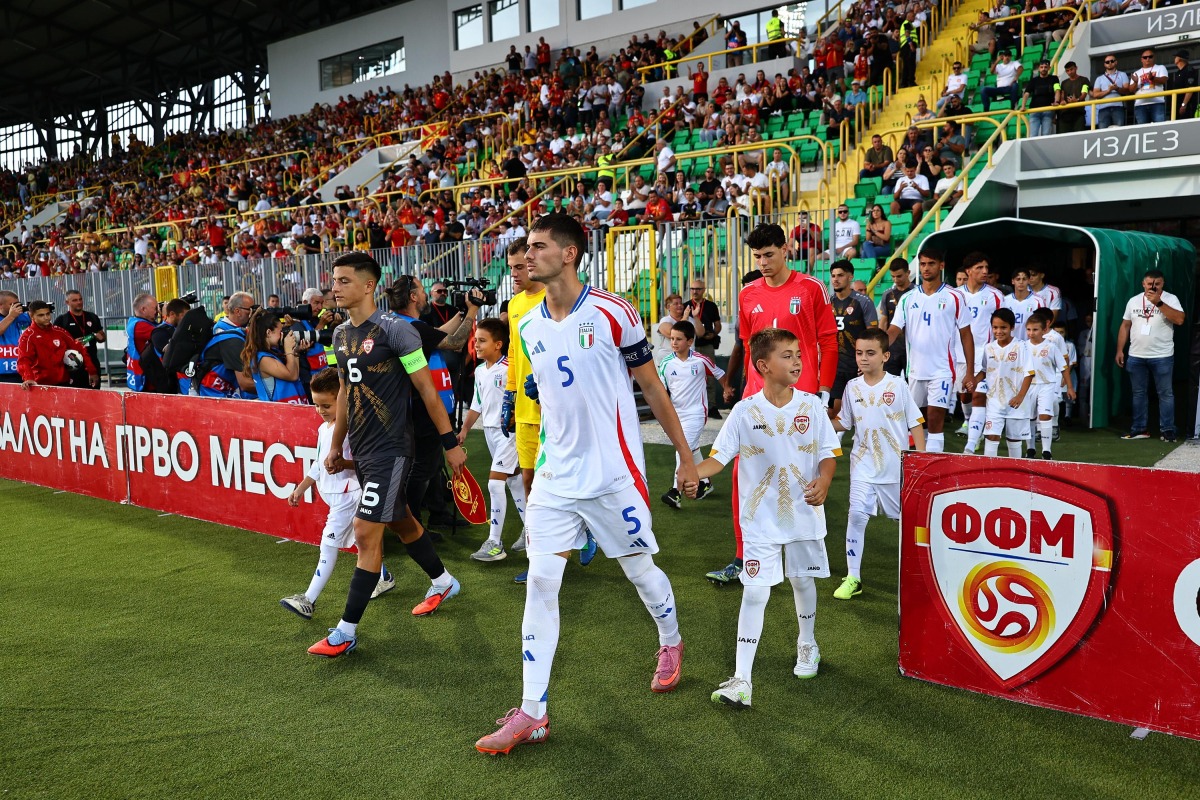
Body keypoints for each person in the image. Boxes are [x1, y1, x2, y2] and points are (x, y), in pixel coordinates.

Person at [475, 215, 695, 756]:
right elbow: (544, 385)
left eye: (538, 246)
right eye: (526, 247)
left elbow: (652, 387)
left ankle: (670, 641)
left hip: (612, 474)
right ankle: (532, 712)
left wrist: (687, 458)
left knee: (640, 571)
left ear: (570, 253)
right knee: (541, 583)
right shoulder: (526, 324)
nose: (528, 255)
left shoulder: (613, 311)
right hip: (554, 477)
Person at [306, 252, 467, 659]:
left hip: (394, 449)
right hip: (362, 447)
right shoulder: (338, 336)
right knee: (401, 520)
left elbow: (428, 392)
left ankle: (345, 631)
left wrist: (451, 444)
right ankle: (444, 581)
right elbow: (344, 391)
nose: (335, 288)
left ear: (367, 286)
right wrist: (335, 444)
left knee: (364, 531)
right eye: (334, 281)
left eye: (343, 281)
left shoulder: (398, 331)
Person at [692, 328, 840, 709]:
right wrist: (696, 472)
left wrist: (823, 479)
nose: (797, 361)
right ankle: (742, 680)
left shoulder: (811, 406)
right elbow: (718, 458)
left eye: (798, 354)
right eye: (787, 355)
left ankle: (807, 644)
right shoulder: (744, 412)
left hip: (803, 515)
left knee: (802, 579)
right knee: (755, 592)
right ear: (763, 366)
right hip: (759, 520)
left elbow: (828, 453)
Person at [711, 223, 838, 585]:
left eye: (769, 254)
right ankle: (743, 557)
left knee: (804, 477)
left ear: (786, 249)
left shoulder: (811, 288)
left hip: (803, 399)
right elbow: (748, 347)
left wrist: (824, 392)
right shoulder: (748, 293)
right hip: (758, 402)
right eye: (757, 256)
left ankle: (803, 556)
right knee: (743, 476)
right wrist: (742, 389)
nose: (763, 262)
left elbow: (828, 342)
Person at [280, 368, 394, 620]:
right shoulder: (325, 429)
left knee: (328, 545)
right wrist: (301, 487)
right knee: (361, 542)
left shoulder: (353, 427)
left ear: (341, 400)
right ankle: (384, 577)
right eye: (317, 405)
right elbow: (319, 463)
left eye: (327, 405)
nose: (321, 411)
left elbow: (367, 463)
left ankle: (308, 600)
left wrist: (344, 464)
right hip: (338, 496)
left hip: (350, 496)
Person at [831, 328, 925, 600]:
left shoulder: (897, 386)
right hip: (862, 466)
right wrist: (819, 420)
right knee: (856, 516)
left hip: (894, 468)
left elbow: (915, 423)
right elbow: (845, 423)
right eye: (859, 353)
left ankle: (919, 575)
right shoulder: (852, 387)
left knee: (906, 522)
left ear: (885, 355)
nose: (863, 358)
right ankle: (853, 577)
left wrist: (919, 461)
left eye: (870, 353)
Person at [387, 274, 482, 531]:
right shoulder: (410, 327)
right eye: (422, 289)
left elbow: (439, 333)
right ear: (413, 296)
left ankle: (432, 516)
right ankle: (413, 525)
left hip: (429, 410)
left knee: (431, 467)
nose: (427, 294)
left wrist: (463, 311)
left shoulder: (407, 324)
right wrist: (472, 312)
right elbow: (455, 342)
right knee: (422, 469)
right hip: (423, 411)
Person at [887, 246, 976, 454]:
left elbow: (966, 334)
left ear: (941, 266)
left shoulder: (955, 296)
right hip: (915, 371)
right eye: (923, 264)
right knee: (916, 423)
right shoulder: (908, 298)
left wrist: (970, 371)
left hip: (942, 370)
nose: (926, 268)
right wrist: (877, 348)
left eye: (931, 264)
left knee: (936, 419)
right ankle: (921, 463)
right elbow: (894, 329)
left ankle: (935, 469)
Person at [457, 318, 527, 562]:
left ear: (498, 344)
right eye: (476, 340)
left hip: (510, 433)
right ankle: (533, 533)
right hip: (489, 432)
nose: (476, 345)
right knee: (515, 481)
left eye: (482, 341)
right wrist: (465, 429)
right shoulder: (479, 371)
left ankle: (495, 543)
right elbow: (477, 403)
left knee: (495, 484)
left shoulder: (510, 368)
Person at [658, 320, 725, 509]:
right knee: (692, 449)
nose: (674, 342)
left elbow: (719, 373)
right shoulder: (665, 363)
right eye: (672, 339)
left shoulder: (700, 360)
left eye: (678, 339)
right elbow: (662, 390)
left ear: (690, 341)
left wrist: (727, 389)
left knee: (683, 449)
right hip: (676, 414)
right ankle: (705, 483)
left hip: (696, 414)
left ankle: (675, 492)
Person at [1116, 269, 1185, 442]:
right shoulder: (1133, 301)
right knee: (1138, 393)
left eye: (1157, 284)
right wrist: (1119, 350)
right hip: (1136, 355)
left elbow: (1180, 320)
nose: (1153, 287)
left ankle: (1168, 429)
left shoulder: (1170, 299)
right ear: (1143, 284)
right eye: (1149, 284)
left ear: (1163, 283)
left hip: (1162, 355)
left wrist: (1159, 303)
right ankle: (1139, 429)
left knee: (1165, 393)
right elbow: (1125, 325)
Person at [955, 253, 1004, 456]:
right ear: (968, 271)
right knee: (964, 395)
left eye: (986, 267)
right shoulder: (955, 295)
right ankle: (968, 422)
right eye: (979, 268)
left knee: (978, 396)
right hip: (959, 355)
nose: (985, 271)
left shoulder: (995, 295)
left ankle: (971, 443)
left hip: (985, 355)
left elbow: (1004, 324)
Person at [978, 308, 1034, 458]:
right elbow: (984, 370)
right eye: (995, 327)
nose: (999, 331)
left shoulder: (1022, 347)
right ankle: (989, 473)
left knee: (1014, 440)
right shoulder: (988, 348)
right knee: (991, 437)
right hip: (994, 401)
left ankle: (1014, 475)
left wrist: (1020, 396)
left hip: (1016, 402)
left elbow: (1029, 373)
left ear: (1012, 328)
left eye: (1003, 327)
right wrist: (972, 381)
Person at [828, 260, 879, 423]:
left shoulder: (863, 302)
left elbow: (872, 335)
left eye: (840, 275)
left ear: (850, 277)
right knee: (832, 409)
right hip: (836, 365)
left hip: (858, 365)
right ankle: (830, 445)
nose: (835, 279)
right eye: (833, 276)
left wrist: (867, 362)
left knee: (864, 411)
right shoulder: (827, 303)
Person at [1026, 313, 1075, 460]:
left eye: (1035, 330)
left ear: (1043, 330)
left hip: (1047, 385)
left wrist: (1070, 387)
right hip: (1029, 386)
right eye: (1028, 329)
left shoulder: (1051, 347)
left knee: (1045, 416)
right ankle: (1030, 449)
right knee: (1030, 417)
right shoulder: (1022, 346)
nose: (1031, 333)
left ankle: (1046, 451)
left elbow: (1063, 367)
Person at [17, 301, 97, 388]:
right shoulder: (27, 337)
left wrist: (92, 371)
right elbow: (23, 360)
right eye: (41, 315)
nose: (46, 318)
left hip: (64, 383)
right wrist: (28, 378)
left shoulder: (60, 332)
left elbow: (79, 348)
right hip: (40, 385)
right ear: (31, 316)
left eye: (48, 314)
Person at [240, 309, 309, 405]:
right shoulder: (263, 359)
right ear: (268, 332)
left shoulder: (273, 353)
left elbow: (295, 374)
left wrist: (295, 352)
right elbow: (291, 376)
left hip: (291, 408)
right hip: (279, 412)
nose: (282, 335)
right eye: (280, 331)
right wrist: (288, 349)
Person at [197, 291, 257, 399]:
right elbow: (243, 379)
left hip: (230, 386)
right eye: (250, 309)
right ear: (237, 311)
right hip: (217, 389)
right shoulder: (222, 330)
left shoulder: (239, 329)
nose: (252, 313)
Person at [54, 290, 105, 387]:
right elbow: (55, 343)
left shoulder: (92, 317)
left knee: (94, 396)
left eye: (80, 299)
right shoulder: (62, 320)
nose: (79, 302)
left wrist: (100, 337)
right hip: (72, 365)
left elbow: (102, 337)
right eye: (75, 300)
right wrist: (72, 343)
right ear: (67, 302)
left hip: (92, 362)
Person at [878, 258, 913, 377]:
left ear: (908, 273)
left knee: (912, 386)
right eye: (893, 276)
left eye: (899, 276)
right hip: (892, 348)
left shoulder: (917, 293)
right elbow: (883, 321)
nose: (895, 280)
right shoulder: (887, 295)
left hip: (912, 349)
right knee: (889, 384)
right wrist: (881, 344)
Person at [124, 292, 158, 392]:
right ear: (143, 309)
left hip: (141, 376)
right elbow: (163, 335)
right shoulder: (141, 326)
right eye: (155, 308)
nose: (157, 312)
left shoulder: (134, 321)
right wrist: (167, 315)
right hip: (146, 381)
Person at [1002, 268, 1046, 341]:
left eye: (1024, 279)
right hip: (1010, 344)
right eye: (1018, 279)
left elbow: (1042, 324)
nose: (1021, 282)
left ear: (1028, 281)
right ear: (1013, 281)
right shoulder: (1005, 300)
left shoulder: (1038, 301)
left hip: (1030, 344)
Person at [1091, 55, 1133, 129]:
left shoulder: (1122, 74)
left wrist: (1117, 88)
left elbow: (1127, 90)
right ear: (1104, 64)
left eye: (1112, 61)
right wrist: (1108, 90)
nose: (1110, 63)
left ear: (1116, 62)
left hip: (1118, 107)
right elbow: (1095, 94)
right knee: (1103, 133)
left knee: (1119, 131)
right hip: (1103, 109)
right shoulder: (1099, 78)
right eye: (1107, 62)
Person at [1021, 60, 1059, 137]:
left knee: (1046, 135)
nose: (1043, 69)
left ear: (1049, 68)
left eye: (1045, 67)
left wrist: (1057, 101)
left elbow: (1057, 90)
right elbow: (1026, 93)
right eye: (1041, 67)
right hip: (1034, 111)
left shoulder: (1054, 79)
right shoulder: (1033, 80)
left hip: (1048, 110)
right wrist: (1023, 106)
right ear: (1039, 68)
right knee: (1033, 135)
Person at [0, 292, 31, 384]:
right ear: (1, 305)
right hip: (3, 373)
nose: (16, 307)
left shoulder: (25, 317)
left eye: (17, 303)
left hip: (23, 370)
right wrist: (11, 316)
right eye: (12, 304)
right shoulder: (12, 316)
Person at [1131, 50, 1168, 125]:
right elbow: (1131, 90)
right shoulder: (1136, 73)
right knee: (1143, 130)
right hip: (1140, 105)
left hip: (1157, 102)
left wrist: (1152, 78)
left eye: (1150, 57)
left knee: (1160, 128)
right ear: (1141, 59)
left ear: (1154, 58)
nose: (1147, 59)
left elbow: (1164, 80)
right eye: (1145, 57)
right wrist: (1135, 82)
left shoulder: (1160, 68)